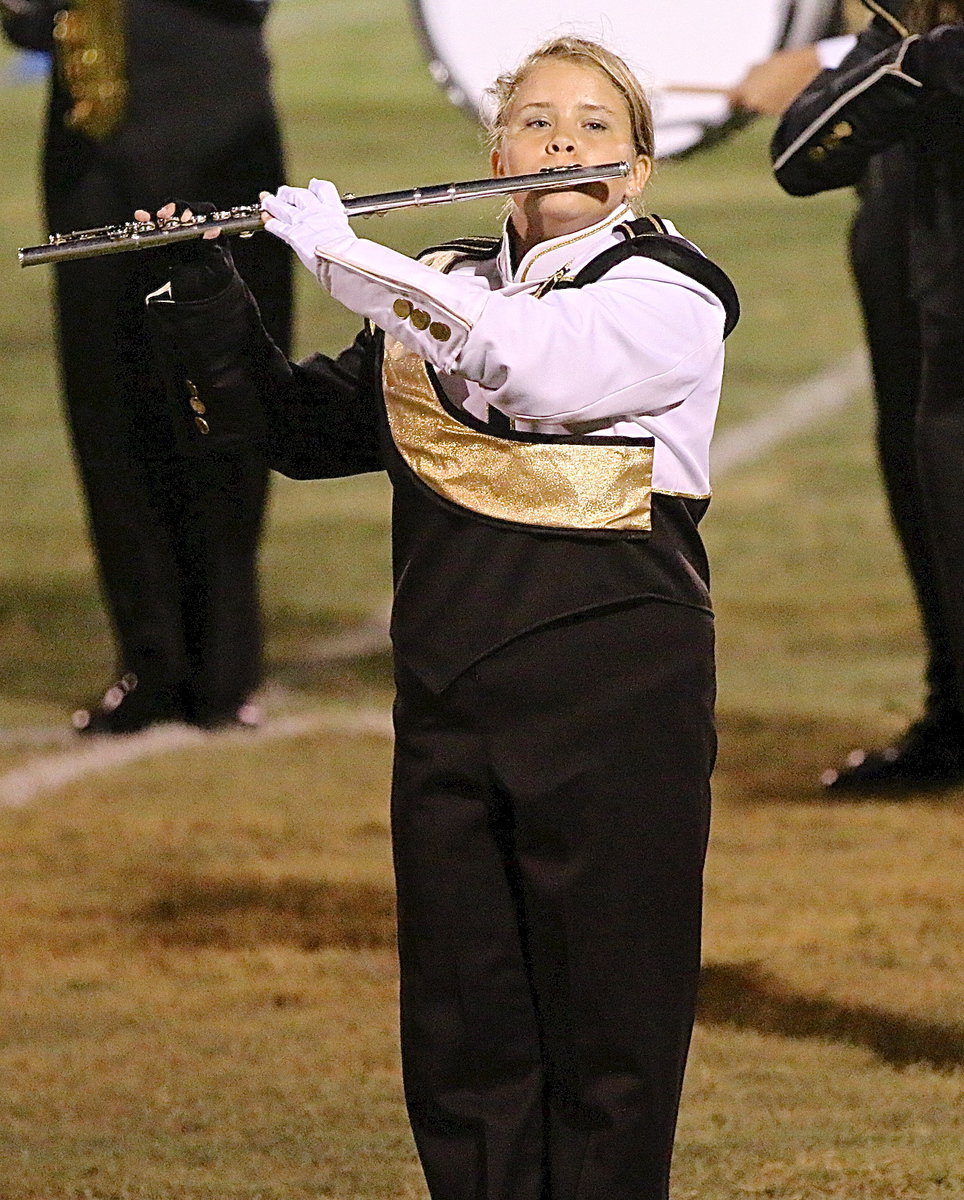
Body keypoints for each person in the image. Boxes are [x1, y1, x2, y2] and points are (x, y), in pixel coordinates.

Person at [144, 36, 739, 1199]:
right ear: (493, 147)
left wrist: (361, 267)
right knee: (466, 1033)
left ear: (636, 171)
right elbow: (301, 434)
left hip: (617, 689)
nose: (559, 139)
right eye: (532, 119)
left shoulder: (669, 292)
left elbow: (537, 373)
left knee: (609, 1025)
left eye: (592, 125)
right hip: (454, 689)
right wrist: (205, 291)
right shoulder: (445, 281)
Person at [1, 0, 293, 733]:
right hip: (90, 147)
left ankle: (227, 665)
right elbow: (31, 25)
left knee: (218, 391)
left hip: (214, 134)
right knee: (108, 405)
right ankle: (149, 659)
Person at [769, 0, 964, 793]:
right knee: (929, 495)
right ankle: (953, 715)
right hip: (932, 317)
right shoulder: (910, 39)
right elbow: (798, 158)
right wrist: (913, 69)